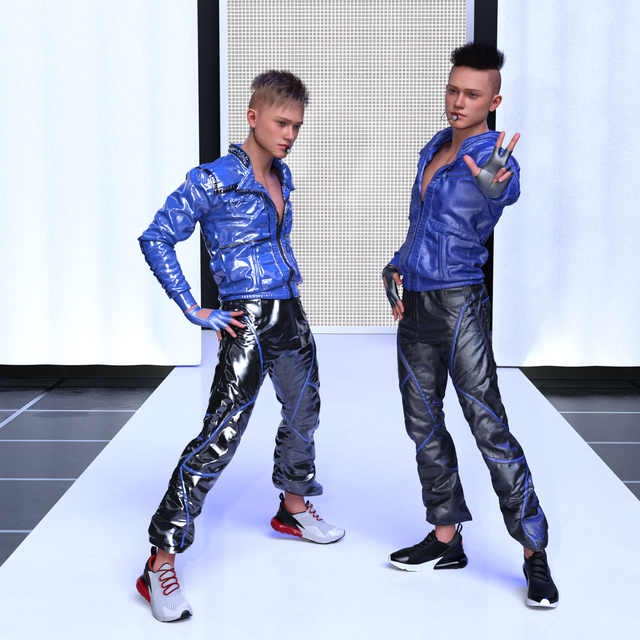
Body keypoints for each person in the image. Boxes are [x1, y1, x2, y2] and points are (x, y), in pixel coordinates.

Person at [136, 70, 344, 623]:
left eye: (297, 126)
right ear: (253, 117)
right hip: (244, 319)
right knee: (220, 436)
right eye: (281, 123)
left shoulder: (282, 174)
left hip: (289, 311)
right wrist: (193, 307)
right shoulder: (214, 179)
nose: (290, 135)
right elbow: (156, 236)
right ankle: (160, 559)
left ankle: (292, 508)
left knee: (304, 412)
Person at [382, 42, 558, 608]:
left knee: (488, 426)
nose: (459, 102)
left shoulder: (494, 156)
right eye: (453, 90)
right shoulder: (434, 147)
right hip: (416, 306)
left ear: (493, 102)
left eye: (472, 94)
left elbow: (505, 188)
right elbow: (422, 225)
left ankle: (534, 553)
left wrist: (495, 183)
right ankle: (445, 538)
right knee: (423, 424)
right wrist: (396, 266)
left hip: (460, 306)